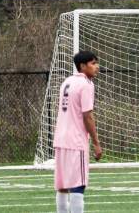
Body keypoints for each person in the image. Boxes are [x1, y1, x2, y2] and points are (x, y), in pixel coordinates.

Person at [53, 50, 102, 213]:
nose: (97, 67)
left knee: (62, 186)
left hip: (60, 139)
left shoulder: (67, 81)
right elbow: (87, 115)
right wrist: (96, 142)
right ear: (82, 66)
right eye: (93, 63)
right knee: (77, 185)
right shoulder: (86, 84)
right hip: (76, 141)